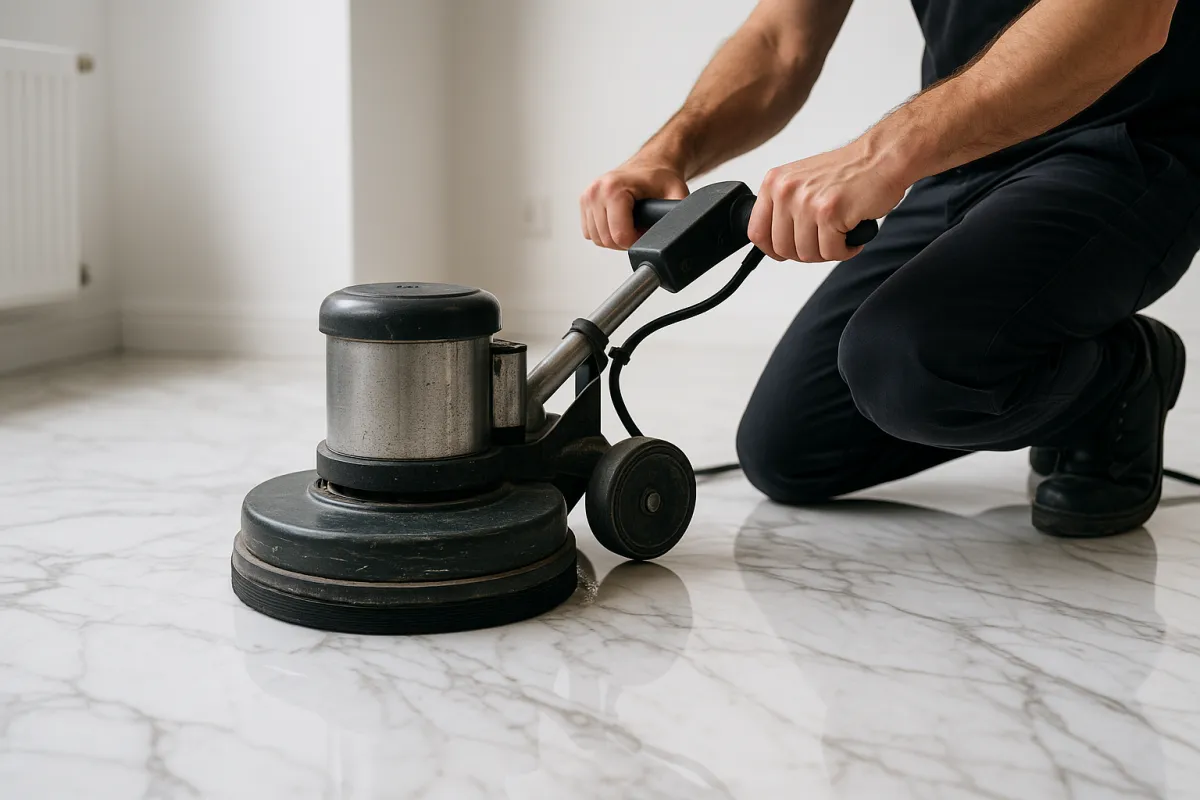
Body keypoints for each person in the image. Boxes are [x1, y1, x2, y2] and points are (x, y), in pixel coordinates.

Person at [581, 0, 1200, 538]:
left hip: (1123, 144)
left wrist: (884, 153)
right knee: (790, 452)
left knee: (910, 363)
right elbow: (780, 40)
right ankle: (1095, 362)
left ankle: (1121, 383)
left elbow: (1129, 17)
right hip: (965, 155)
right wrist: (668, 150)